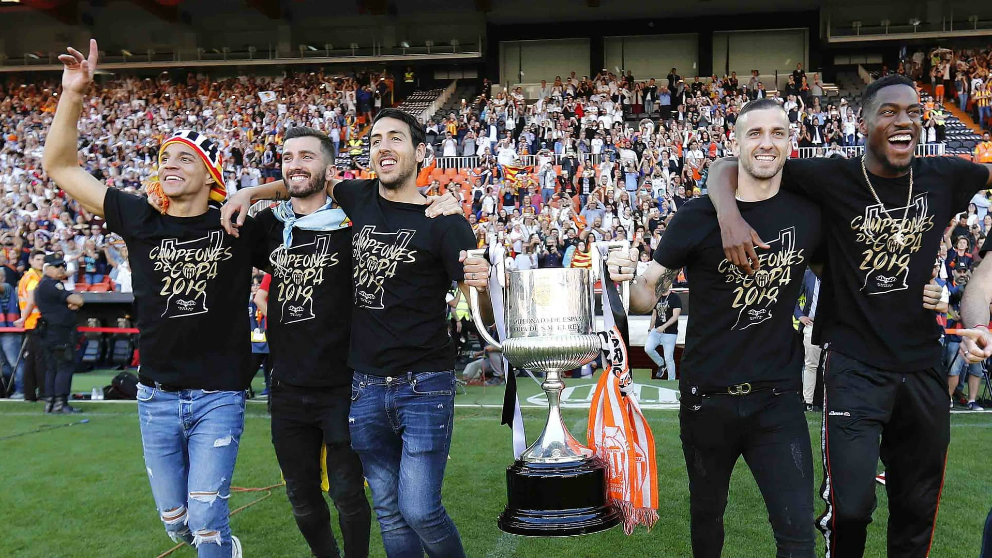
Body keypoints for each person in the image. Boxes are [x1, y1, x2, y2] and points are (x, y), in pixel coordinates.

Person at [710, 74, 992, 558]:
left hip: (923, 365)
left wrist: (975, 295)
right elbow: (723, 166)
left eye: (913, 113)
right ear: (861, 123)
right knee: (853, 505)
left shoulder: (946, 174)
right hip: (855, 366)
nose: (904, 121)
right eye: (889, 112)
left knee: (916, 508)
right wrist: (729, 218)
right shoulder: (831, 177)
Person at [221, 108, 492, 558]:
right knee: (386, 508)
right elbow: (303, 179)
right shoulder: (357, 197)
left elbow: (476, 304)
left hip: (423, 383)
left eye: (396, 139)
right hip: (364, 385)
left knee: (421, 509)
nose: (383, 147)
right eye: (375, 140)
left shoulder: (445, 219)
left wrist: (479, 278)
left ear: (420, 152)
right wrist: (250, 193)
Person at [43, 39, 269, 557]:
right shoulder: (140, 218)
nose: (169, 163)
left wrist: (259, 193)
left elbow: (315, 201)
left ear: (211, 174)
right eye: (164, 156)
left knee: (209, 520)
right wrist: (73, 95)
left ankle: (220, 546)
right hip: (156, 396)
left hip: (219, 394)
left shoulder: (237, 225)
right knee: (177, 521)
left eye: (184, 157)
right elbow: (60, 166)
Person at [607, 99, 822, 558]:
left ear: (790, 141)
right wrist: (632, 276)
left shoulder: (808, 214)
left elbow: (847, 275)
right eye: (755, 134)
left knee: (798, 532)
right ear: (736, 143)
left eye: (778, 134)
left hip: (777, 399)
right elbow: (648, 294)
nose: (766, 143)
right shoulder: (697, 216)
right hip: (707, 399)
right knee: (707, 520)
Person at [32, 254, 84, 414]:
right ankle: (61, 402)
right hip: (59, 332)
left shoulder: (43, 285)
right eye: (57, 266)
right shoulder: (52, 285)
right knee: (64, 366)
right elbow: (78, 301)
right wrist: (72, 303)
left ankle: (51, 402)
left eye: (62, 265)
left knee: (52, 368)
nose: (61, 269)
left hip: (50, 331)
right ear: (48, 268)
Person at [13, 250, 47, 403]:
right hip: (36, 322)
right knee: (40, 359)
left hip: (31, 322)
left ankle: (29, 394)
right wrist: (23, 318)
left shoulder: (27, 277)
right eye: (38, 259)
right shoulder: (34, 277)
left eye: (43, 259)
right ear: (31, 261)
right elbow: (32, 299)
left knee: (31, 360)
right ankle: (43, 392)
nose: (41, 262)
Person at [793, 268, 822, 410]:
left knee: (835, 364)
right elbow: (792, 297)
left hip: (833, 326)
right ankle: (808, 402)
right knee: (811, 364)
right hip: (812, 324)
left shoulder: (838, 270)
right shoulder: (808, 274)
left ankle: (832, 401)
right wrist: (800, 316)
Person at [644, 285, 680, 380]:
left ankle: (671, 380)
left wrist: (664, 326)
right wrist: (650, 329)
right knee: (648, 348)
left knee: (669, 358)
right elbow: (654, 315)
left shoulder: (675, 297)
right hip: (656, 331)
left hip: (670, 332)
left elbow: (675, 316)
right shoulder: (657, 297)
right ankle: (661, 364)